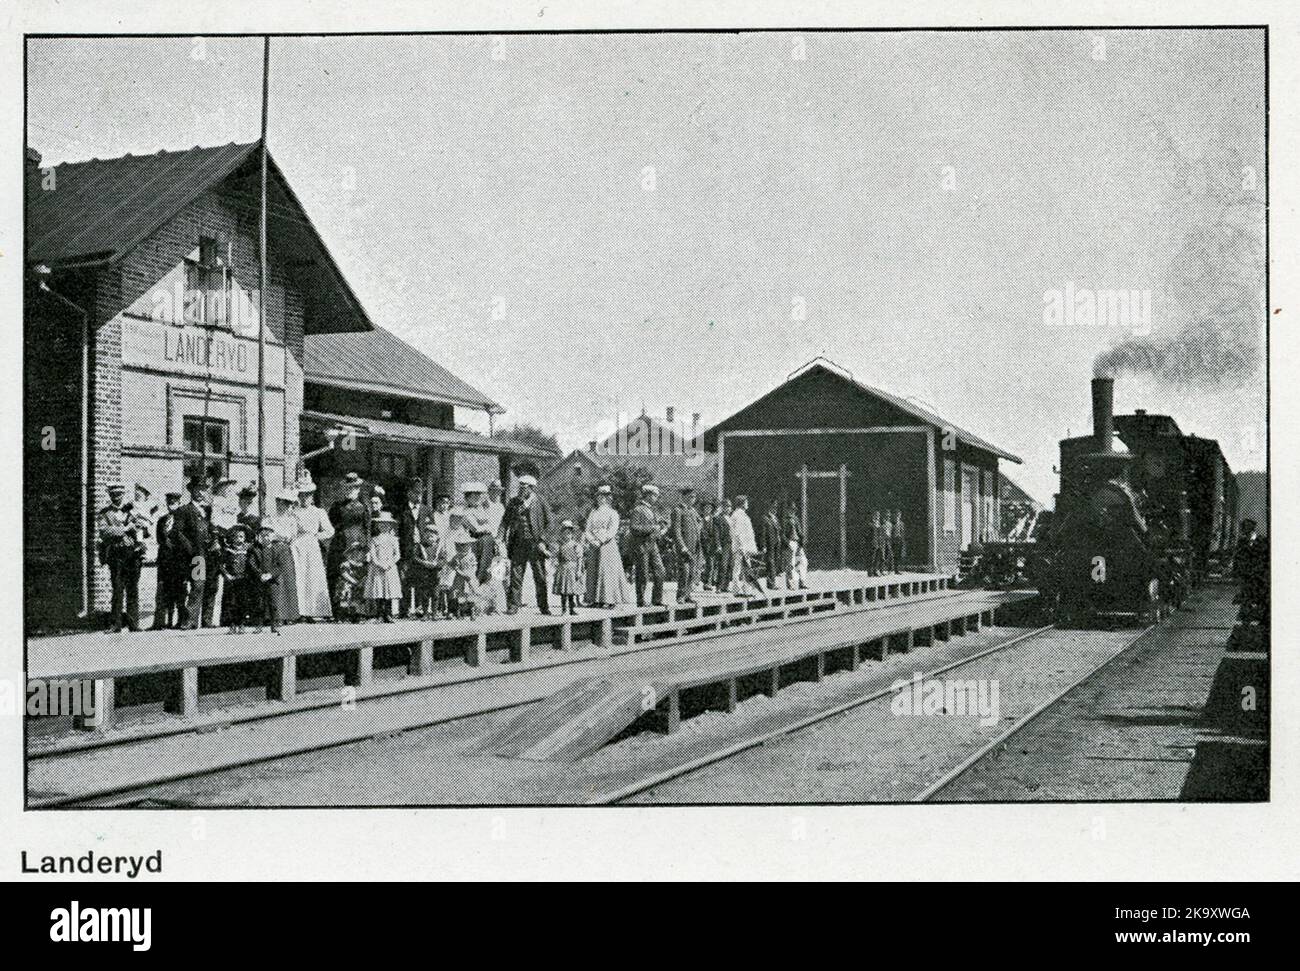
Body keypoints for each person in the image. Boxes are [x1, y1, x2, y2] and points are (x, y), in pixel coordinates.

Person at [502, 474, 554, 614]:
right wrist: (499, 537)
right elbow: (505, 521)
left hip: (535, 545)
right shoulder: (513, 503)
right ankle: (513, 605)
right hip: (518, 544)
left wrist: (542, 540)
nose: (521, 489)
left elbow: (550, 523)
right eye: (520, 486)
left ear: (531, 488)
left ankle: (544, 606)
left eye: (524, 487)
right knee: (516, 575)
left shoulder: (540, 501)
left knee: (540, 576)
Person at [96, 484, 142, 633]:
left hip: (132, 553)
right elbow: (104, 531)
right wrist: (124, 529)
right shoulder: (104, 513)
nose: (116, 497)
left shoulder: (132, 511)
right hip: (116, 554)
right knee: (117, 589)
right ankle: (115, 624)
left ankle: (133, 623)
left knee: (133, 589)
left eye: (119, 494)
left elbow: (144, 530)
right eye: (113, 494)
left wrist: (139, 527)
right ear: (110, 495)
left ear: (123, 495)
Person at [291, 475, 334, 620]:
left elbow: (330, 531)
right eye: (302, 495)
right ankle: (300, 611)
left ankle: (313, 611)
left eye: (307, 495)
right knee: (299, 577)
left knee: (313, 577)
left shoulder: (318, 512)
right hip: (297, 546)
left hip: (312, 546)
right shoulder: (294, 512)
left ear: (312, 496)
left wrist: (316, 536)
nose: (304, 499)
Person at [583, 484, 633, 608]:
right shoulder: (593, 513)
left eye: (604, 496)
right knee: (593, 571)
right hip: (594, 545)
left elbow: (613, 530)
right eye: (599, 496)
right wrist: (592, 540)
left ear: (609, 498)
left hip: (607, 545)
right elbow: (587, 529)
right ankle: (594, 599)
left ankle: (610, 599)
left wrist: (601, 540)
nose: (601, 499)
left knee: (607, 571)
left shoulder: (613, 513)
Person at [173, 485, 211, 629]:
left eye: (203, 489)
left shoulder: (207, 510)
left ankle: (192, 620)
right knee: (183, 587)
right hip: (187, 556)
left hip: (201, 556)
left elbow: (209, 529)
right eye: (198, 489)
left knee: (198, 585)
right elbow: (177, 532)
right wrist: (190, 549)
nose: (201, 492)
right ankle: (185, 619)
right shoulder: (184, 510)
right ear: (191, 491)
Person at [397, 477, 434, 618]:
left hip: (422, 551)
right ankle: (404, 609)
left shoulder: (427, 510)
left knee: (421, 579)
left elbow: (432, 530)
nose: (418, 495)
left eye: (420, 493)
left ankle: (420, 607)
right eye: (415, 492)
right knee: (405, 579)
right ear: (409, 493)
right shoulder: (402, 510)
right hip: (406, 550)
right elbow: (398, 531)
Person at [266, 489, 302, 625]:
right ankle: (275, 615)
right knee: (276, 581)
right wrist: (278, 536)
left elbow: (291, 536)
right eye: (282, 502)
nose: (284, 506)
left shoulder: (292, 519)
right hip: (272, 550)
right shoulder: (270, 518)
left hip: (285, 550)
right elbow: (268, 535)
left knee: (287, 580)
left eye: (287, 503)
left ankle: (289, 615)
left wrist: (279, 536)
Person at [153, 491, 187, 629]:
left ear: (179, 504)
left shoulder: (183, 519)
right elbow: (159, 539)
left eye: (174, 503)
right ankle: (163, 621)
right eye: (169, 503)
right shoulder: (162, 520)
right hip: (165, 561)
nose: (171, 506)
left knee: (179, 591)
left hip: (179, 560)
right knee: (164, 591)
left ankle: (180, 620)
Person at [628, 483, 665, 607]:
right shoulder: (638, 509)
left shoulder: (652, 510)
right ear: (648, 495)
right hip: (641, 546)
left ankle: (657, 599)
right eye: (655, 495)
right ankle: (641, 600)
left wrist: (660, 529)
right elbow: (634, 528)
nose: (656, 498)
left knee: (660, 571)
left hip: (653, 545)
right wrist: (652, 528)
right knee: (642, 574)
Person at [246, 524, 285, 634]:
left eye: (268, 535)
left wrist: (270, 575)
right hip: (259, 580)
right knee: (259, 603)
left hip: (272, 581)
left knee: (273, 604)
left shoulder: (277, 550)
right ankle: (259, 625)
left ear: (272, 537)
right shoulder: (255, 549)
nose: (265, 538)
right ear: (259, 537)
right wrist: (260, 575)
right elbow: (252, 563)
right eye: (263, 536)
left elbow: (280, 566)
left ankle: (275, 625)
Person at [364, 510, 402, 622]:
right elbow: (373, 555)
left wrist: (390, 564)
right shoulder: (374, 539)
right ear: (378, 525)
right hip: (378, 568)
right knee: (379, 590)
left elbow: (397, 554)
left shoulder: (394, 539)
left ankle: (388, 613)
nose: (384, 526)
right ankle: (380, 614)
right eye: (381, 524)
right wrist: (379, 564)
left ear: (390, 525)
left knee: (389, 591)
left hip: (390, 568)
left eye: (387, 524)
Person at [671, 486, 703, 604]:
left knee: (692, 571)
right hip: (684, 547)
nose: (692, 499)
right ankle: (680, 595)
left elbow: (699, 522)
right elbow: (676, 530)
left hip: (695, 546)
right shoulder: (678, 510)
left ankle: (688, 594)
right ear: (683, 497)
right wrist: (682, 546)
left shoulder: (692, 511)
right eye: (690, 497)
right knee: (684, 571)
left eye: (694, 497)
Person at [460, 483, 497, 582]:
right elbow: (475, 528)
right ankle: (479, 582)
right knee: (480, 565)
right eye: (474, 496)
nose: (478, 498)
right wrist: (486, 527)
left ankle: (486, 583)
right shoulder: (465, 512)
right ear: (467, 498)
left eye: (479, 495)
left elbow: (491, 523)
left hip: (487, 540)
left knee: (491, 566)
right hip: (476, 540)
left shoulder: (481, 510)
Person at [221, 523, 252, 634]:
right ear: (232, 538)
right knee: (231, 602)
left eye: (241, 537)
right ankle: (232, 624)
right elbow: (222, 564)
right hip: (231, 579)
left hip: (243, 579)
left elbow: (251, 564)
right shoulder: (228, 550)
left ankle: (242, 624)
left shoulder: (247, 550)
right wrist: (226, 575)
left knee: (242, 602)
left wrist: (248, 575)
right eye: (236, 537)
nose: (239, 539)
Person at [407, 522, 442, 618]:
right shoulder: (420, 547)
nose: (430, 537)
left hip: (435, 574)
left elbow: (443, 559)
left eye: (432, 535)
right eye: (427, 534)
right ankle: (425, 613)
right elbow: (415, 558)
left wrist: (437, 564)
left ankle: (434, 613)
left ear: (437, 537)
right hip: (424, 575)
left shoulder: (439, 548)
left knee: (435, 595)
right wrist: (423, 563)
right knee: (425, 594)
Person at [729, 495, 761, 596]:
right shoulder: (738, 515)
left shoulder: (741, 514)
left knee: (746, 569)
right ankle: (737, 590)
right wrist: (742, 546)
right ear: (742, 503)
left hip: (744, 547)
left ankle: (746, 590)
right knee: (738, 569)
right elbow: (738, 533)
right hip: (740, 547)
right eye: (746, 502)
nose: (748, 504)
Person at [553, 520, 584, 616]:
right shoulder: (560, 545)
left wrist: (578, 570)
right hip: (563, 569)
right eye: (565, 534)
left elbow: (579, 558)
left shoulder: (576, 545)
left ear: (572, 534)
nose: (567, 536)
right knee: (563, 591)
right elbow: (557, 557)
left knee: (571, 591)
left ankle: (571, 609)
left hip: (572, 569)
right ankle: (563, 609)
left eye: (569, 534)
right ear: (562, 534)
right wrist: (555, 566)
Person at [334, 541, 369, 623]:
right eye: (354, 552)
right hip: (348, 582)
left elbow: (365, 575)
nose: (357, 554)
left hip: (358, 584)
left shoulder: (362, 565)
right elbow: (344, 574)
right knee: (346, 592)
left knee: (358, 597)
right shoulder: (346, 563)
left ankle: (356, 615)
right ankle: (343, 615)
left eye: (360, 552)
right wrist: (354, 581)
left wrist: (362, 581)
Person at [710, 498, 734, 592]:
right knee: (723, 565)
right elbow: (716, 533)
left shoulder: (731, 518)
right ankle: (719, 586)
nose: (728, 509)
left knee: (730, 565)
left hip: (731, 544)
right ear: (722, 507)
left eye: (729, 507)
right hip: (723, 544)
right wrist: (718, 545)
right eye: (726, 506)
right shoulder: (718, 518)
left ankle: (726, 586)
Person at [760, 500, 784, 591]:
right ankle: (771, 584)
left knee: (775, 562)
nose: (775, 509)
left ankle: (772, 582)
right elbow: (763, 533)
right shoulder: (765, 518)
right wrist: (763, 545)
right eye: (773, 507)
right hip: (769, 544)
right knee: (771, 563)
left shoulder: (775, 518)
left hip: (776, 544)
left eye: (776, 508)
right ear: (769, 508)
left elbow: (779, 531)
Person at [782, 502, 806, 589]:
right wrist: (787, 543)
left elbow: (799, 531)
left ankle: (802, 582)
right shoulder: (785, 520)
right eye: (791, 509)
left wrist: (802, 542)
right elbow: (782, 534)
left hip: (797, 542)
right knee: (790, 564)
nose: (793, 511)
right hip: (790, 542)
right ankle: (791, 584)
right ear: (788, 510)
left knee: (803, 562)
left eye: (794, 510)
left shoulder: (796, 519)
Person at [869, 510, 886, 577]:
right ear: (873, 516)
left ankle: (876, 571)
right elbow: (868, 535)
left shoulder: (879, 524)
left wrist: (882, 542)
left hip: (879, 543)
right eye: (876, 515)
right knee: (872, 558)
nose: (877, 517)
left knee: (878, 557)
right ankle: (870, 572)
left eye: (878, 516)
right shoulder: (870, 524)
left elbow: (881, 534)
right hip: (873, 543)